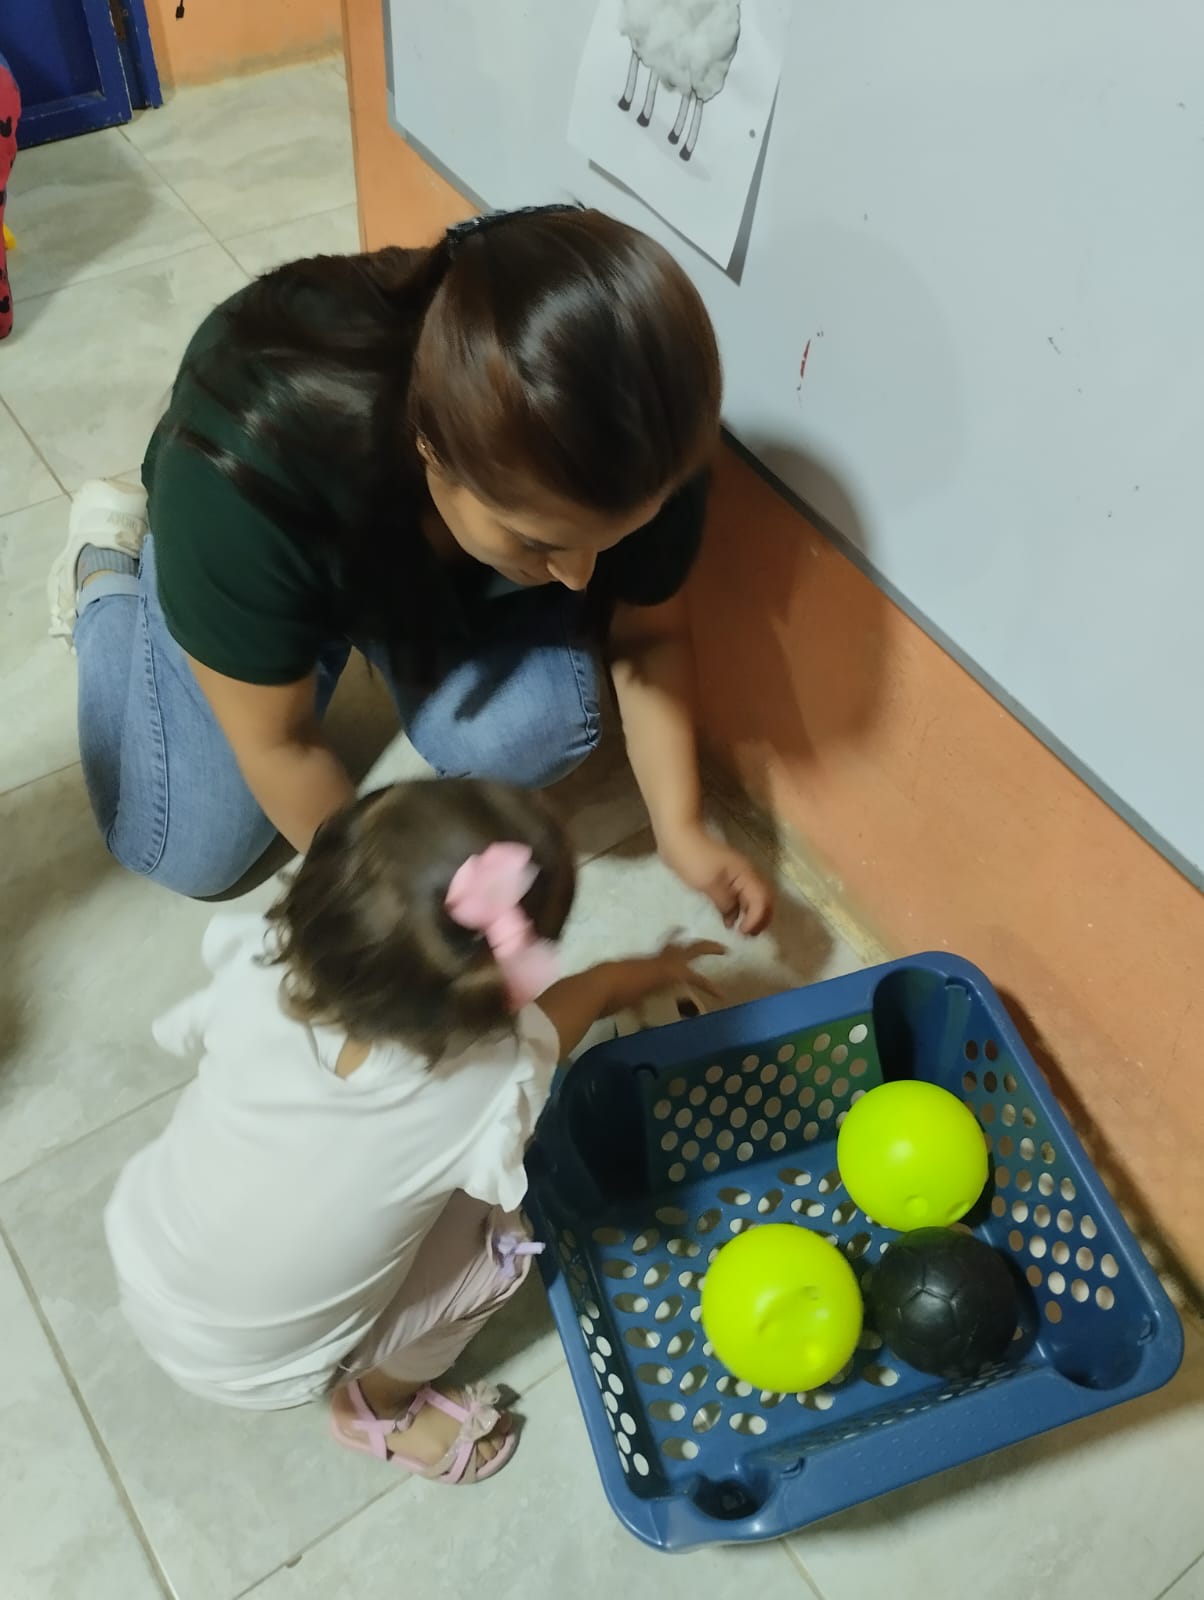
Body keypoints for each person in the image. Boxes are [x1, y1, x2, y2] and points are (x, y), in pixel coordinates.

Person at [49, 204, 773, 930]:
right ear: (431, 447)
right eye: (536, 542)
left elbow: (647, 636)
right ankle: (106, 566)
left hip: (387, 547)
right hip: (266, 520)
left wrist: (681, 828)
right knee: (185, 848)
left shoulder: (641, 434)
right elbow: (280, 744)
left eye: (609, 540)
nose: (580, 577)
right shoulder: (245, 472)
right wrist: (398, 920)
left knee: (536, 728)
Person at [104, 778, 722, 1483]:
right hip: (260, 1368)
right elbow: (553, 1027)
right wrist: (627, 976)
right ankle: (378, 1408)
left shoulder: (257, 963)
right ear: (501, 998)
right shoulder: (485, 1085)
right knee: (502, 1246)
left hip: (146, 1253)